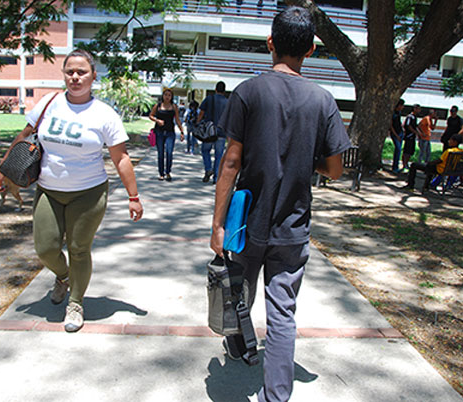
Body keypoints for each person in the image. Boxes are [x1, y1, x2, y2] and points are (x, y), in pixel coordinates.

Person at [211, 7, 351, 401]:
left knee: (239, 290)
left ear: (270, 43)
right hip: (292, 227)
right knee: (282, 313)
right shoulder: (323, 101)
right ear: (311, 48)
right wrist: (307, 159)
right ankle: (277, 396)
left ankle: (239, 346)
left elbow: (231, 162)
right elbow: (336, 170)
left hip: (246, 223)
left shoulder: (248, 92)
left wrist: (217, 225)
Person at [0, 49, 144, 332]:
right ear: (63, 74)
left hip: (89, 192)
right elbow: (25, 136)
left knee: (78, 249)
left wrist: (133, 196)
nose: (75, 77)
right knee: (46, 248)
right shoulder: (49, 102)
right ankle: (63, 276)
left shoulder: (104, 114)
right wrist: (4, 167)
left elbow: (121, 158)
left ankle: (75, 302)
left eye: (82, 72)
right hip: (49, 190)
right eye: (70, 72)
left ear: (93, 75)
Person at [149, 88, 185, 181]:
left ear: (172, 97)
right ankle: (161, 173)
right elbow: (151, 116)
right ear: (163, 96)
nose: (167, 97)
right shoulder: (158, 106)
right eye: (166, 95)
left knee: (169, 153)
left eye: (169, 95)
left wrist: (181, 131)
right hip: (159, 132)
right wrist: (157, 120)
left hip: (170, 132)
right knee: (160, 153)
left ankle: (168, 172)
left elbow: (177, 120)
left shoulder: (174, 107)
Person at [197, 81, 229, 184]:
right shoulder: (228, 102)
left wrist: (198, 123)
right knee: (218, 155)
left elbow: (201, 113)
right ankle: (216, 178)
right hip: (221, 132)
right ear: (224, 91)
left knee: (205, 150)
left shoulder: (209, 99)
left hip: (209, 131)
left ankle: (208, 168)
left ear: (215, 89)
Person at [402, 104, 422, 171]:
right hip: (409, 136)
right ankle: (404, 164)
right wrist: (415, 132)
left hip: (413, 137)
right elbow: (408, 126)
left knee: (410, 151)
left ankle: (406, 163)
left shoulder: (415, 117)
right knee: (406, 151)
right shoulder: (410, 117)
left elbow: (415, 126)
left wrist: (419, 133)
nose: (419, 110)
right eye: (418, 109)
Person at [389, 99, 405, 172]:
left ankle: (396, 165)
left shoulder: (399, 113)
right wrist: (396, 135)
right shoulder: (393, 113)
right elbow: (391, 126)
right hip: (395, 133)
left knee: (399, 150)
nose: (403, 107)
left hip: (400, 132)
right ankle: (395, 167)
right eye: (402, 105)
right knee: (398, 149)